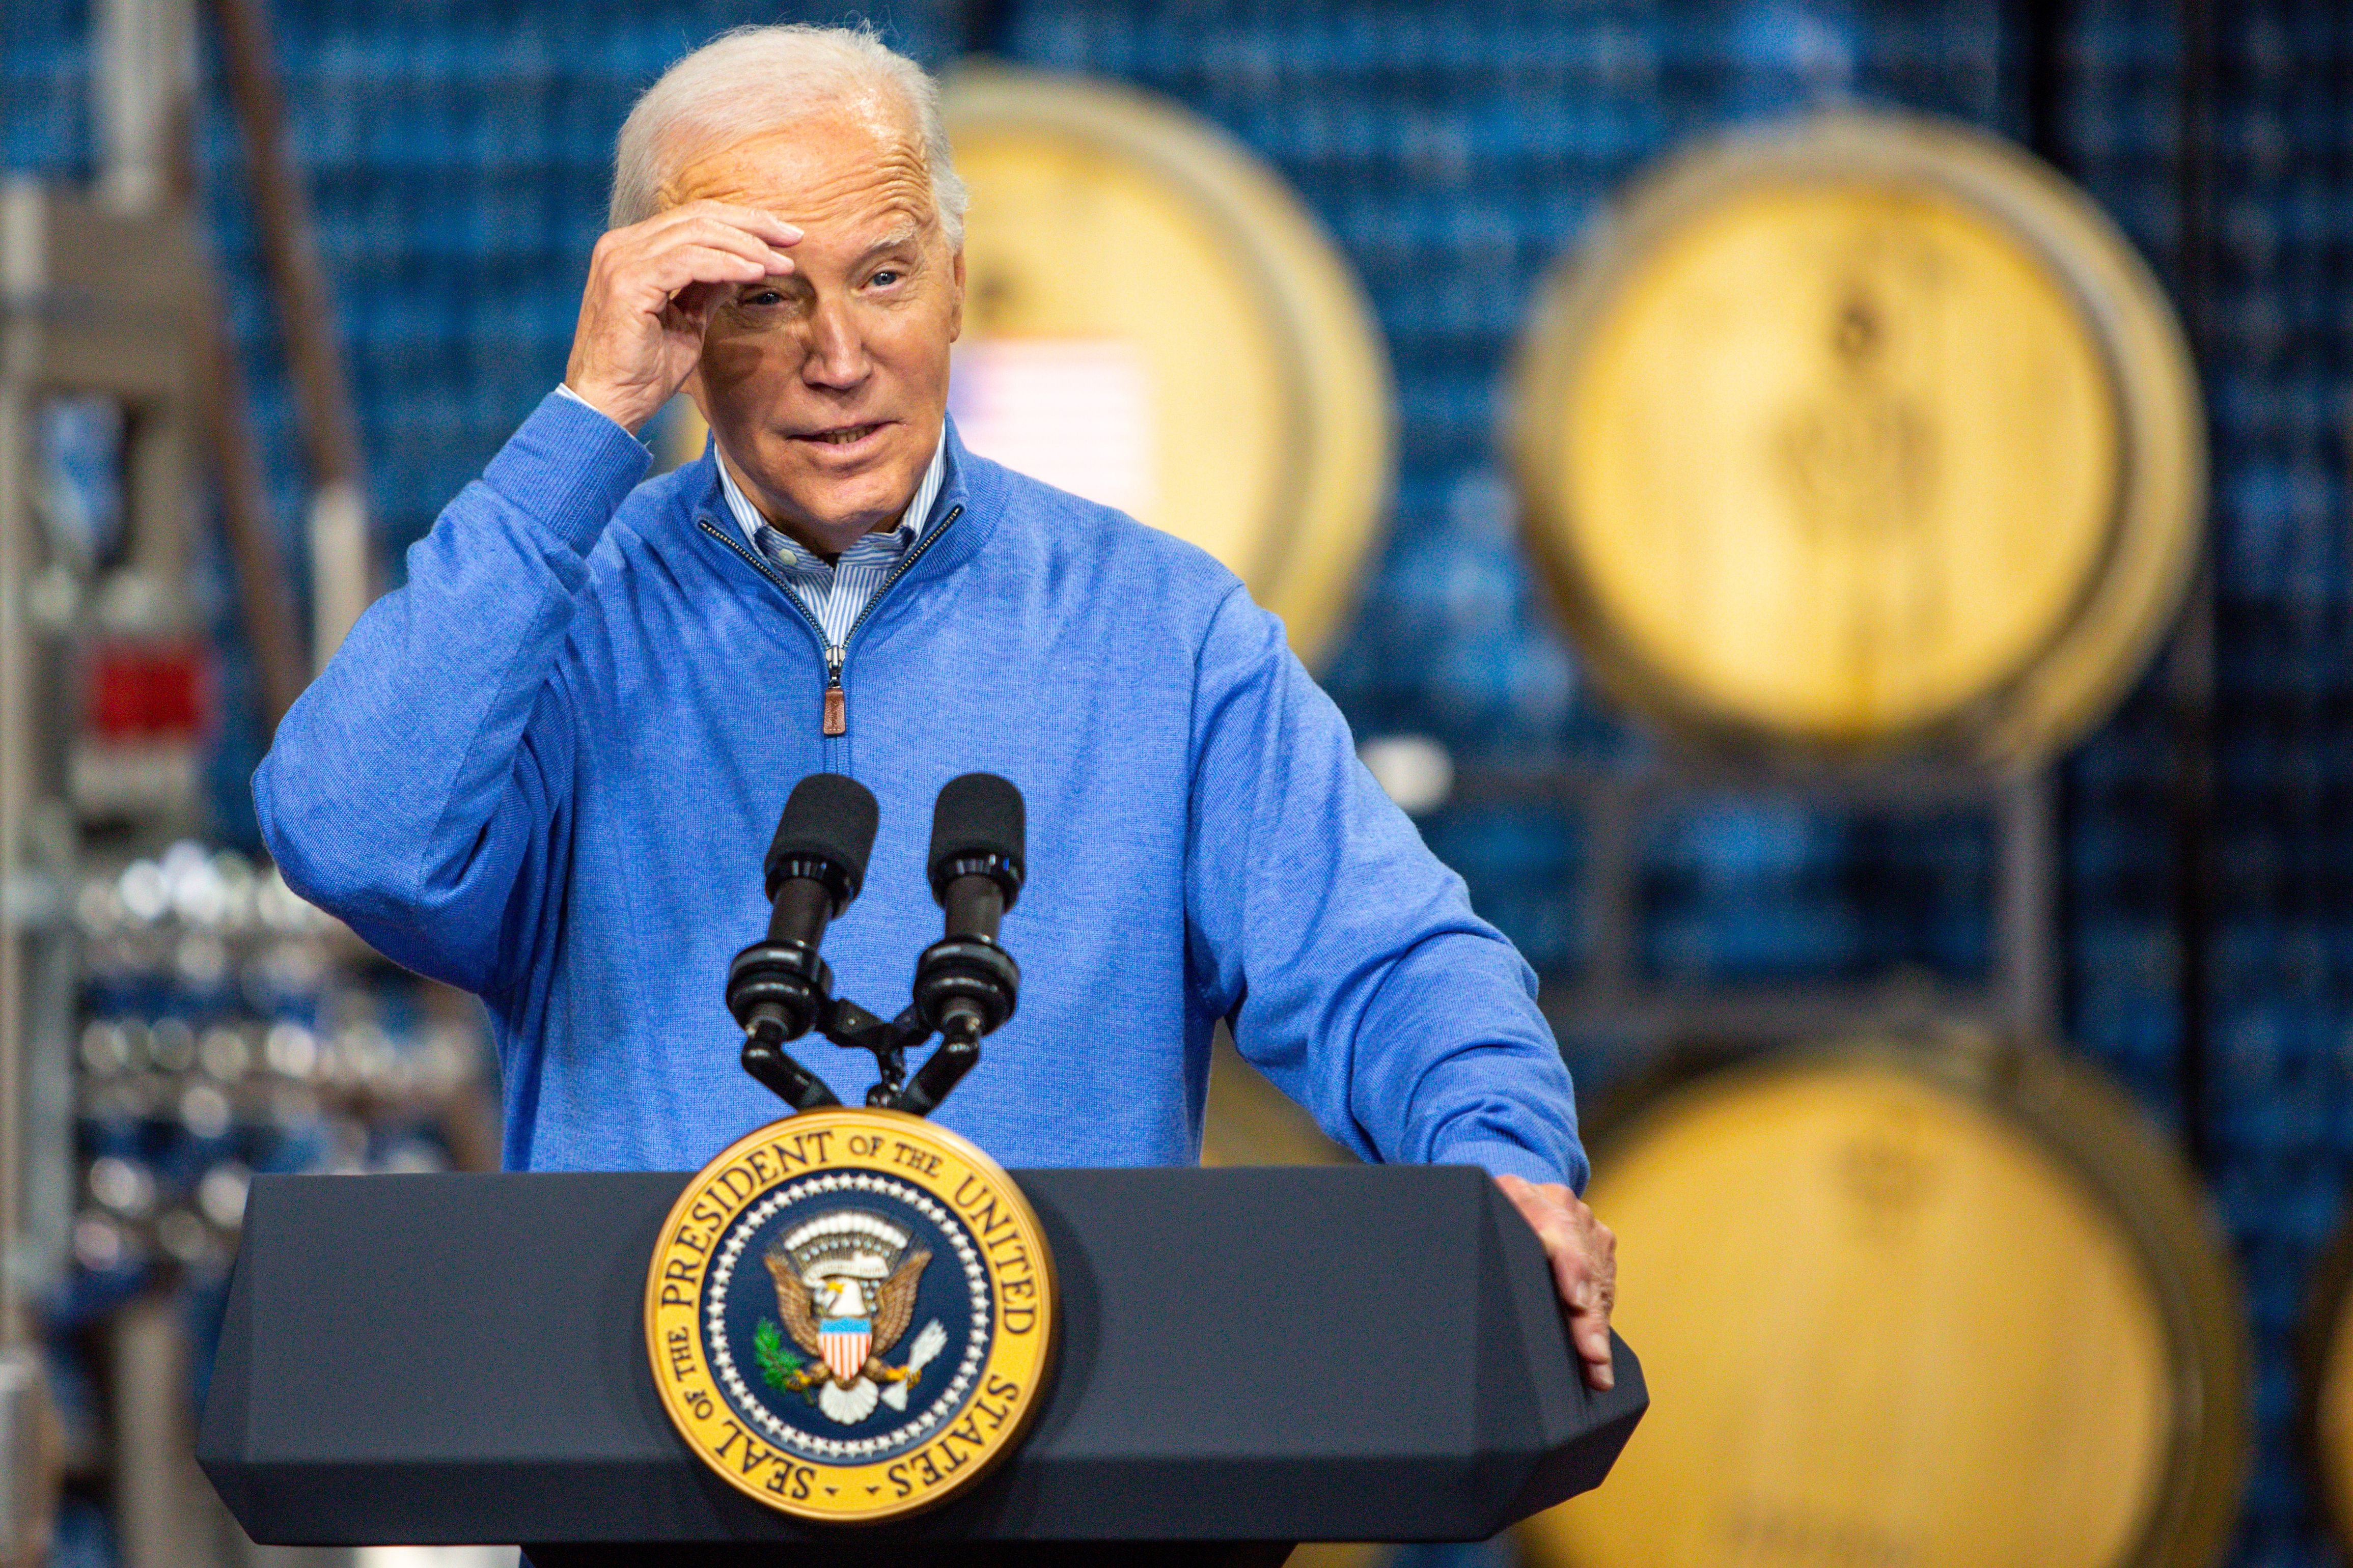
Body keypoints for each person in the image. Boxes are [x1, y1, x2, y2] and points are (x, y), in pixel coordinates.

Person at [253, 23, 1616, 1389]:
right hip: (655, 1488)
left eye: (885, 276)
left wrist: (1498, 1159)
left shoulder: (1162, 629)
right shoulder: (560, 625)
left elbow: (1391, 964)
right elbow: (353, 839)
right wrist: (586, 421)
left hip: (1077, 1487)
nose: (838, 356)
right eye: (763, 299)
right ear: (670, 326)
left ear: (958, 287)